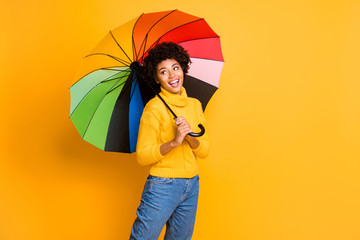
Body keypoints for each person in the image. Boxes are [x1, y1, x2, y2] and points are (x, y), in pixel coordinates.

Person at [129, 42, 210, 240]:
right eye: (163, 72)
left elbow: (205, 150)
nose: (172, 75)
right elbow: (143, 155)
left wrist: (190, 137)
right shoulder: (153, 108)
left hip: (192, 183)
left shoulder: (194, 104)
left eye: (175, 68)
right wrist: (174, 142)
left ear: (183, 68)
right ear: (156, 78)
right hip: (162, 185)